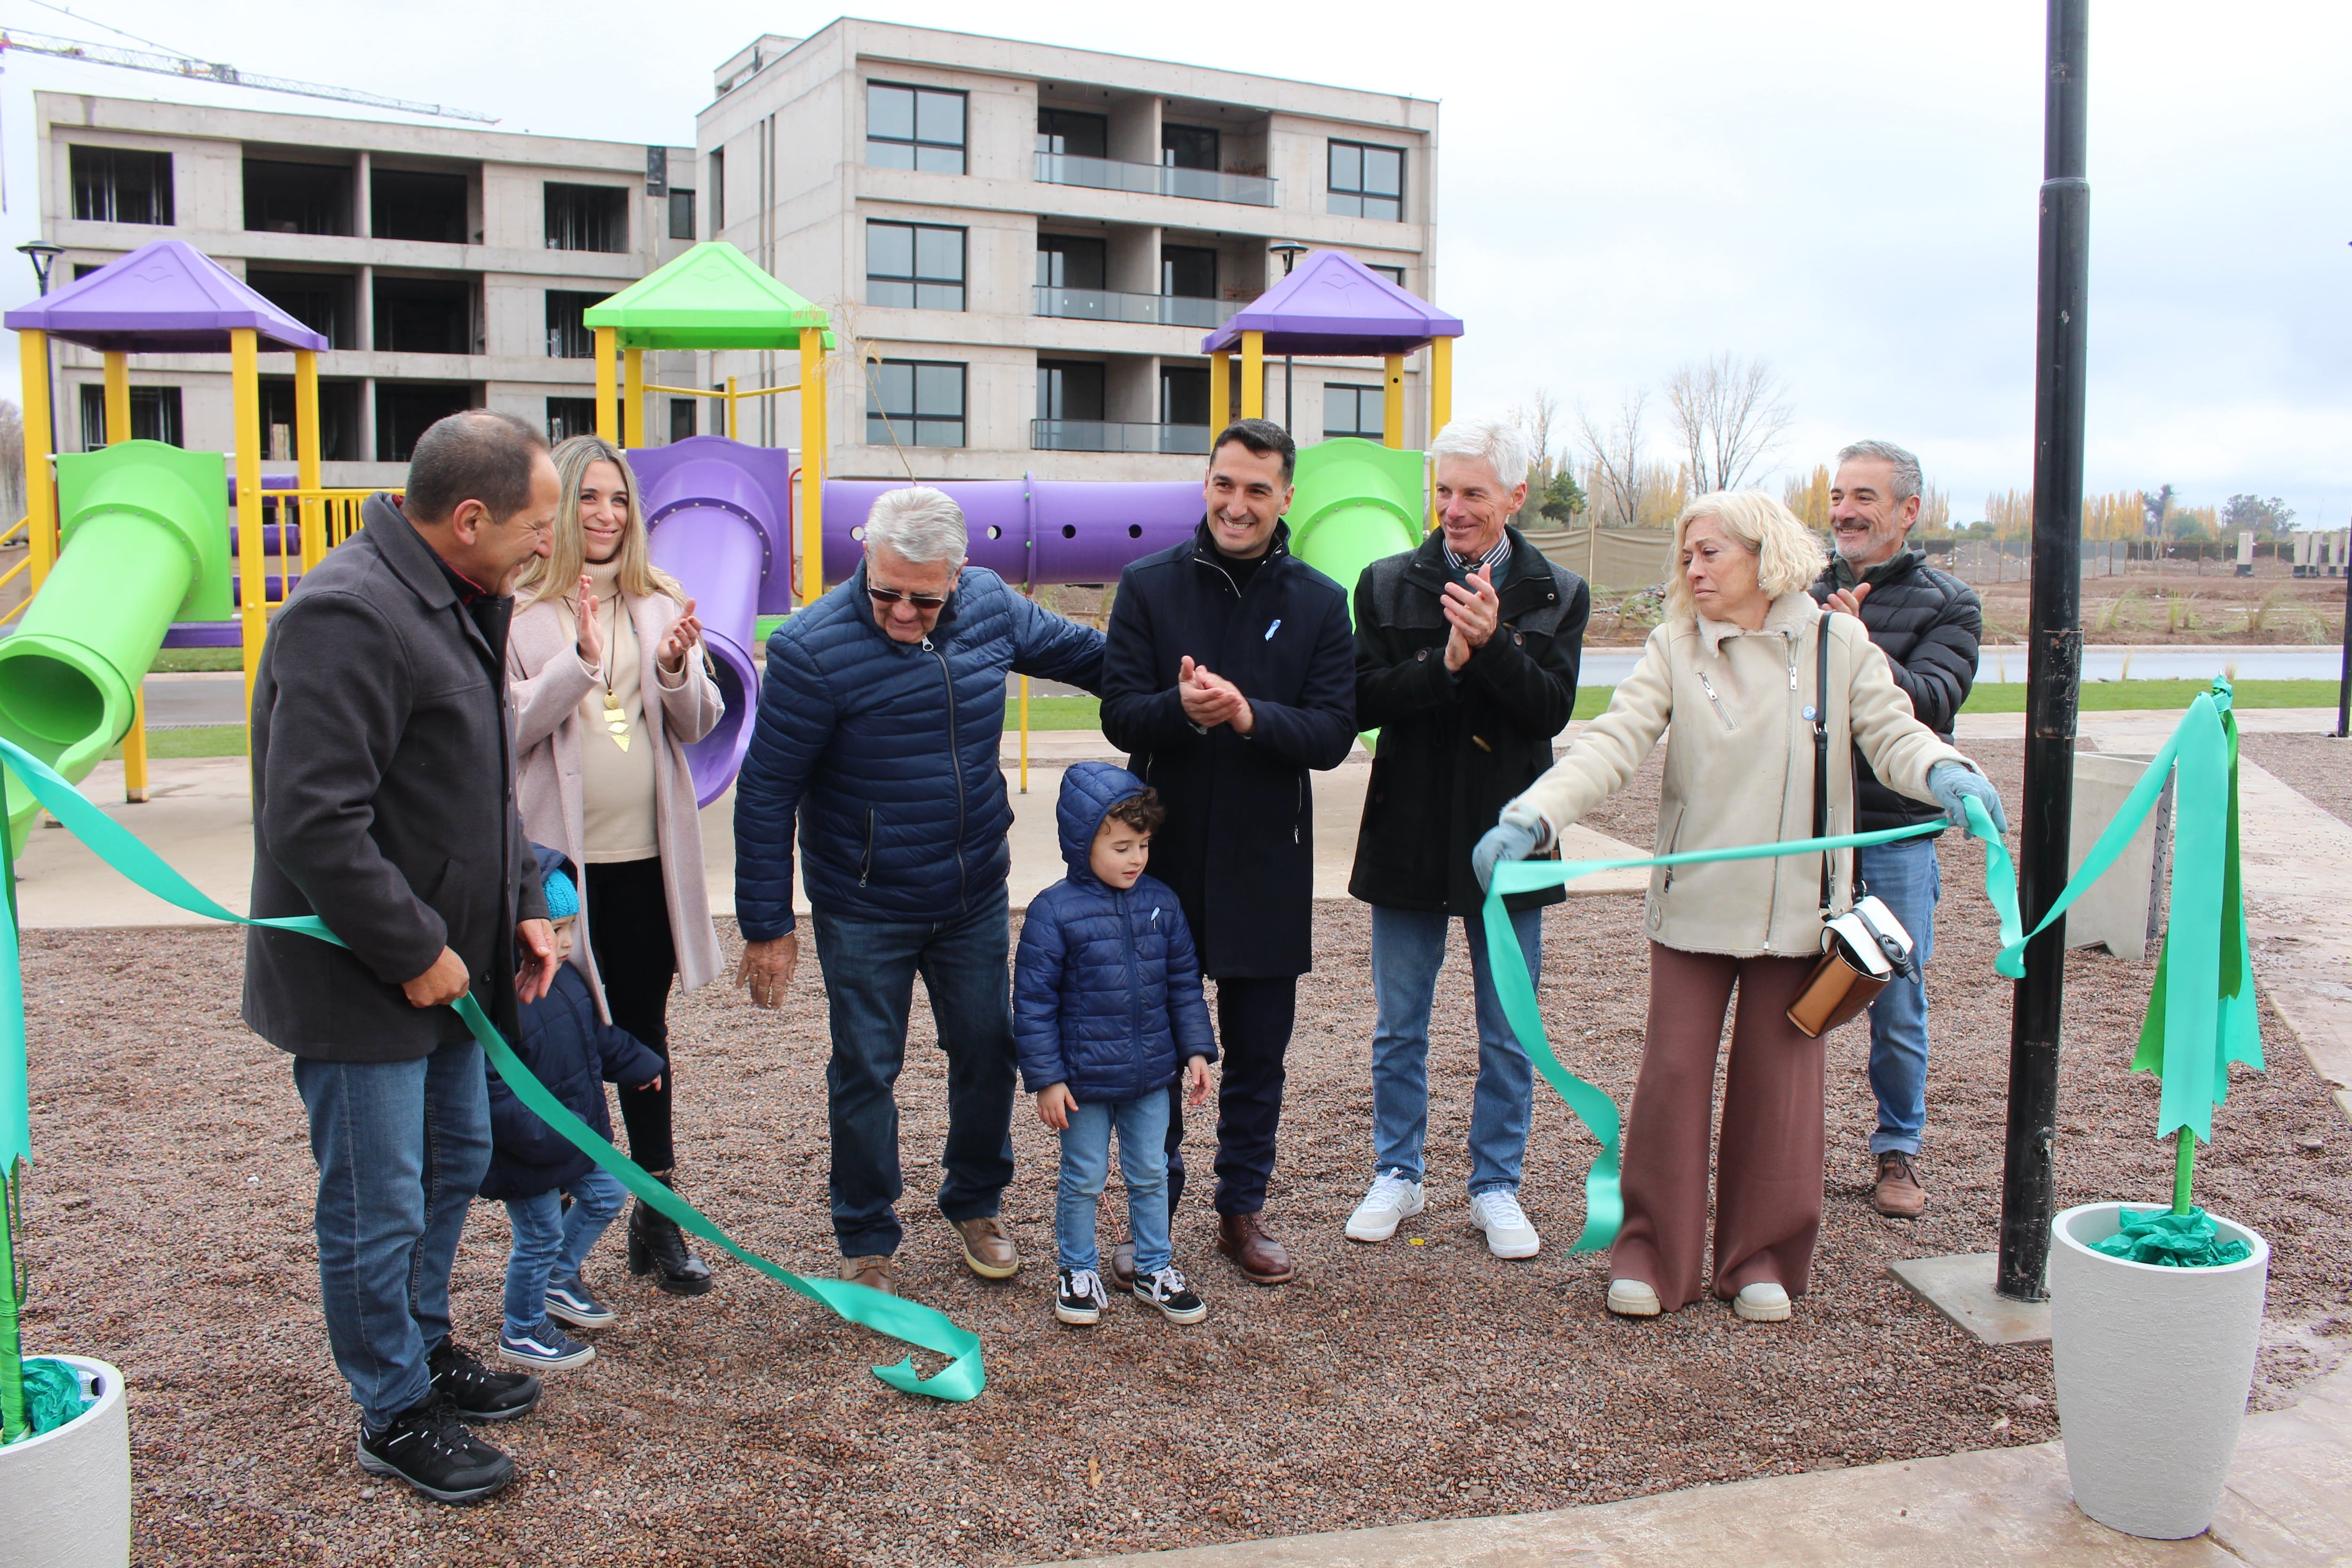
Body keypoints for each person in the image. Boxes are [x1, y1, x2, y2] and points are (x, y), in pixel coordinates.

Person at [1474, 490, 2004, 1324]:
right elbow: (1613, 741)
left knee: (1780, 1085)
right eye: (1687, 554)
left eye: (1710, 552)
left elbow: (1893, 732)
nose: (1692, 569)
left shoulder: (1838, 643)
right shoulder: (1674, 645)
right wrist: (1532, 814)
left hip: (1800, 916)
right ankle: (1652, 1256)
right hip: (1693, 910)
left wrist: (1944, 772)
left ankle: (1761, 1257)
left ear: (1766, 554)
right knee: (1674, 1077)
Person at [244, 409, 563, 1505]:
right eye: (535, 523)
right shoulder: (351, 613)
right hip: (363, 982)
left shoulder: (459, 599)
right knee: (376, 1200)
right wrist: (416, 946)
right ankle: (391, 1409)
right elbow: (314, 821)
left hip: (445, 977)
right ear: (468, 518)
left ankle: (420, 1345)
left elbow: (478, 789)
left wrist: (521, 898)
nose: (545, 545)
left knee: (449, 1165)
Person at [733, 486, 1105, 1297]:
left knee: (987, 1049)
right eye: (887, 593)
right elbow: (766, 790)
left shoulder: (989, 606)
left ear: (960, 575)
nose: (904, 612)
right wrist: (767, 924)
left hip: (970, 891)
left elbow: (1091, 657)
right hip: (864, 901)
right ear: (865, 557)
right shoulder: (810, 648)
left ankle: (976, 1202)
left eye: (925, 598)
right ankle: (867, 1233)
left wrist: (1181, 676)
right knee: (867, 1065)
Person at [1099, 417, 1357, 1288]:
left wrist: (1246, 715)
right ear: (1204, 484)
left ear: (1286, 498)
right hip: (1160, 861)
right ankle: (1151, 1216)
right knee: (1155, 1054)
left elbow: (1331, 733)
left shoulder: (1321, 601)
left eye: (1256, 489)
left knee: (1258, 1054)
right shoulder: (1146, 586)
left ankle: (1240, 1210)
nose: (1236, 504)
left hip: (1266, 861)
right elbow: (1120, 715)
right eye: (1224, 483)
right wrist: (1182, 710)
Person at [1344, 417, 1589, 1259]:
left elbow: (1550, 710)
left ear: (1516, 497)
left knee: (1508, 1027)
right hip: (1408, 829)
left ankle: (1496, 1185)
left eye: (1473, 493)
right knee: (1399, 1024)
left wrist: (1489, 649)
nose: (1453, 508)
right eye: (1443, 490)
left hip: (1511, 839)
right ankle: (1397, 1171)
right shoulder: (1383, 583)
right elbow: (1362, 701)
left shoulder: (1558, 590)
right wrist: (1441, 666)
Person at [509, 434, 727, 1296]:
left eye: (619, 499)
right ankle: (564, 1234)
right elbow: (505, 728)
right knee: (561, 1045)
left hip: (644, 864)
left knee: (643, 1040)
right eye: (588, 498)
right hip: (560, 875)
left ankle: (657, 1217)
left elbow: (700, 720)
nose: (606, 515)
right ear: (557, 510)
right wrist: (581, 664)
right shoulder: (516, 610)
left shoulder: (656, 599)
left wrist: (673, 666)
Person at [1809, 440, 1982, 1219]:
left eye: (1864, 497)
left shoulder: (1950, 603)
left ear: (1909, 512)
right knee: (1792, 992)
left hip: (1894, 837)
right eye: (1839, 494)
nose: (1843, 510)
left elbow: (1935, 703)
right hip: (1807, 832)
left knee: (1895, 1000)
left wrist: (1860, 647)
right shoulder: (1796, 593)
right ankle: (1789, 1149)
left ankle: (1897, 1149)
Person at [1015, 765, 1217, 1326]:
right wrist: (1047, 1078)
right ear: (1084, 845)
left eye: (1144, 846)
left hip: (1151, 1075)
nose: (1135, 859)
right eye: (1122, 846)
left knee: (1150, 1172)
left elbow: (1183, 984)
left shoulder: (1163, 903)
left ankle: (1155, 1267)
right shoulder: (1053, 911)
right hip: (1081, 1084)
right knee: (1082, 1177)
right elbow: (1032, 1003)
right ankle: (1076, 1272)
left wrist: (1195, 1050)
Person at [479, 850, 667, 1370]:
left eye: (569, 928)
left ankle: (560, 1278)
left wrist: (637, 1062)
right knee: (537, 1234)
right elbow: (493, 1091)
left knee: (607, 1192)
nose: (564, 943)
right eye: (554, 929)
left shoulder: (566, 978)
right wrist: (551, 1139)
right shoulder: (496, 1001)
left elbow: (594, 1036)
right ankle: (521, 1328)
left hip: (573, 1135)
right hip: (531, 1149)